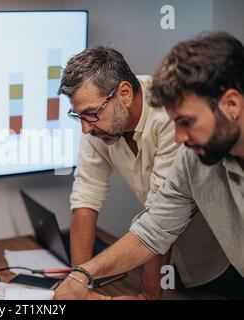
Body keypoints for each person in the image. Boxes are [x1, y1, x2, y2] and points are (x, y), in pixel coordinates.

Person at [55, 32, 244, 300]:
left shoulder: (174, 133)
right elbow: (155, 228)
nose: (179, 138)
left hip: (214, 266)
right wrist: (82, 275)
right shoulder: (193, 157)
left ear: (231, 105)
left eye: (187, 122)